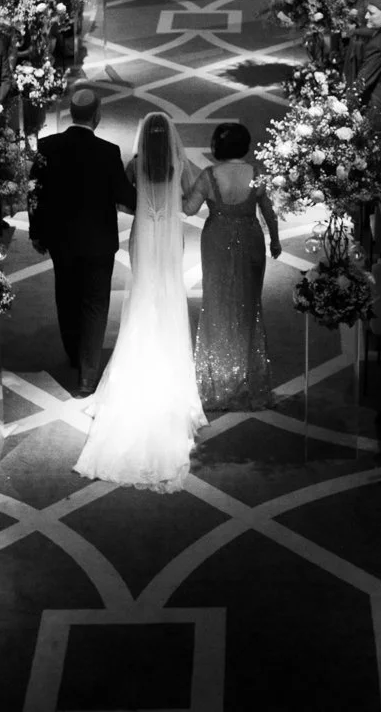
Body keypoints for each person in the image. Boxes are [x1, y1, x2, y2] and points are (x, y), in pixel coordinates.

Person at [72, 110, 206, 491]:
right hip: (168, 240)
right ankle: (168, 352)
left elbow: (123, 202)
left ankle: (140, 349)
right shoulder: (181, 162)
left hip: (145, 238)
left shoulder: (136, 163)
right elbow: (195, 198)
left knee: (143, 291)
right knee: (168, 291)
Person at [31, 88, 138, 394]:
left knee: (66, 296)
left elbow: (34, 194)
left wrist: (38, 232)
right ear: (97, 115)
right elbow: (124, 196)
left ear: (71, 115)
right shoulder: (108, 151)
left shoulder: (46, 146)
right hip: (98, 243)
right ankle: (88, 377)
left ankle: (74, 357)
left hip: (61, 241)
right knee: (94, 305)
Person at [184, 122, 282, 411]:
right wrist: (275, 241)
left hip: (216, 239)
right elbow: (269, 213)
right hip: (251, 239)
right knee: (249, 304)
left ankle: (218, 380)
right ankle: (250, 378)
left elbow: (189, 209)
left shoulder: (209, 175)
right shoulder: (255, 173)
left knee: (217, 303)